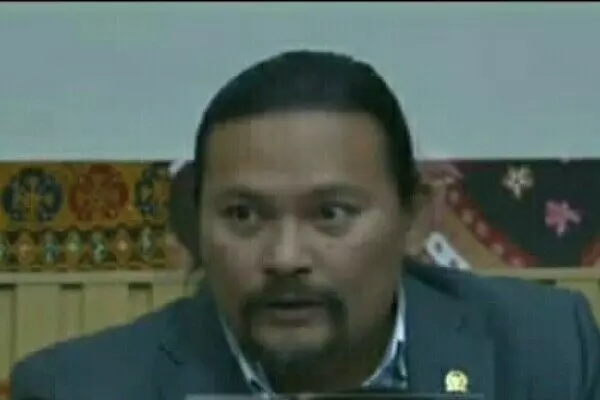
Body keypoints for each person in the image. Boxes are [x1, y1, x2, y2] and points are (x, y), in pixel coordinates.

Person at [10, 50, 600, 400]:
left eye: (330, 214)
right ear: (196, 224)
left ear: (416, 218)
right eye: (243, 215)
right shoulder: (80, 389)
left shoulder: (545, 351)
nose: (285, 256)